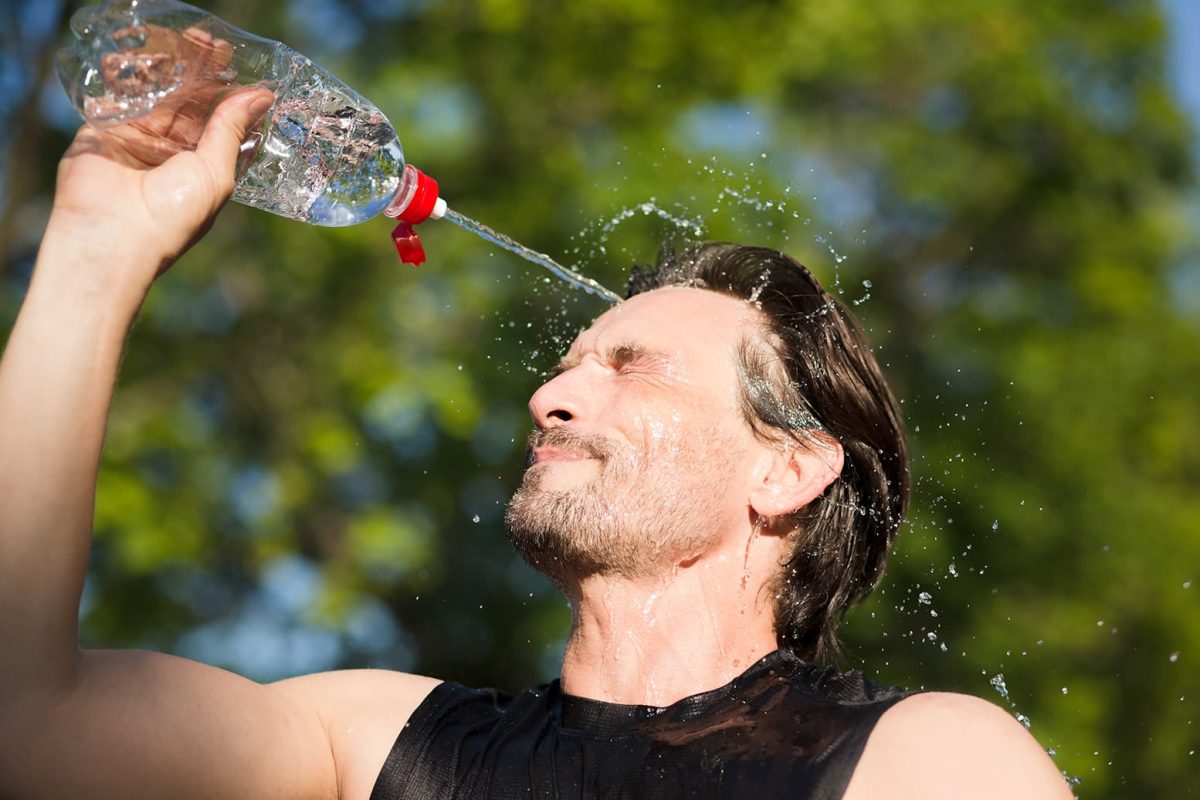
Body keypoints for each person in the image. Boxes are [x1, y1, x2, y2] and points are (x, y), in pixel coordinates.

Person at [0, 91, 1074, 799]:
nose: (551, 393)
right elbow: (26, 724)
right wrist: (98, 251)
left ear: (787, 467)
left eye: (631, 364)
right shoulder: (378, 744)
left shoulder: (923, 761)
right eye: (569, 361)